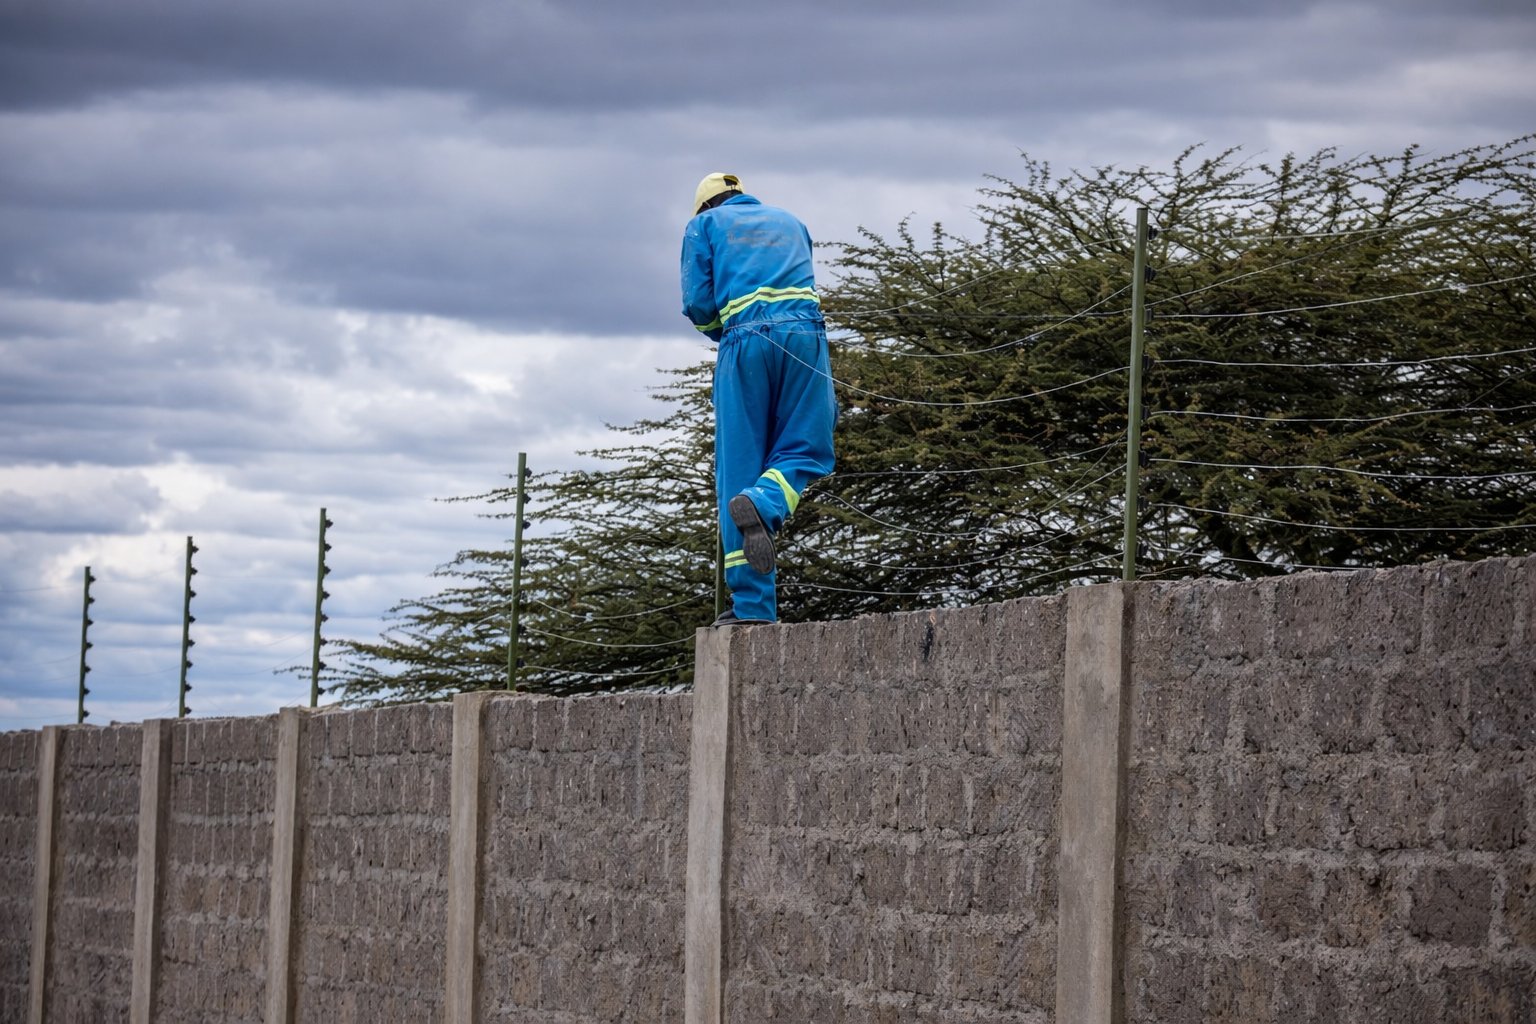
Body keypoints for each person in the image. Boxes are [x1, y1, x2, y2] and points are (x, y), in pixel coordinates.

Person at [681, 173, 836, 627]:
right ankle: (767, 501)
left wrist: (724, 334)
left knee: (739, 464)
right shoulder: (793, 220)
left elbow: (699, 304)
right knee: (809, 445)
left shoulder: (703, 227)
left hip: (744, 342)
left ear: (706, 206)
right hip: (806, 338)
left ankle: (752, 609)